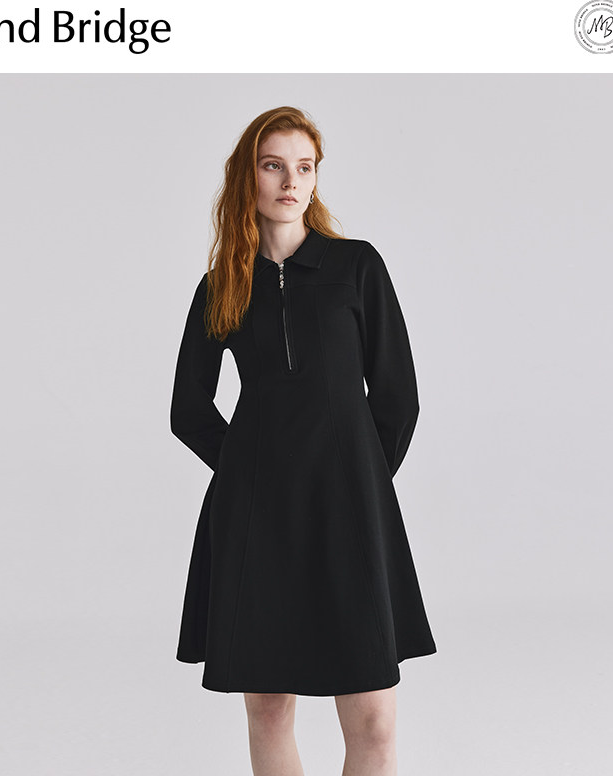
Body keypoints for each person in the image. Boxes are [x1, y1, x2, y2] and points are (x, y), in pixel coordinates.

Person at [170, 106, 436, 775]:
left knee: (374, 718)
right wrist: (250, 473)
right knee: (268, 707)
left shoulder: (356, 266)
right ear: (248, 176)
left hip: (349, 511)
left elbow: (398, 398)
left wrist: (357, 480)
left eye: (304, 167)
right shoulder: (221, 286)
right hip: (258, 519)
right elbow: (188, 410)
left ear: (316, 178)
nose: (291, 181)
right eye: (274, 165)